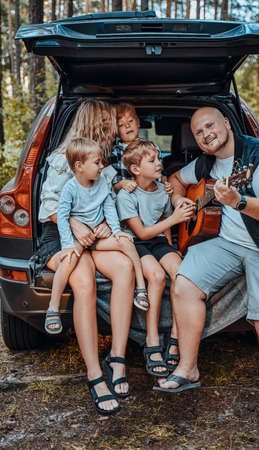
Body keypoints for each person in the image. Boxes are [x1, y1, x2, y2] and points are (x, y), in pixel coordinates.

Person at [154, 106, 259, 450]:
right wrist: (181, 202)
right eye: (199, 133)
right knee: (185, 281)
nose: (206, 135)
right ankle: (188, 367)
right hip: (228, 244)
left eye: (210, 127)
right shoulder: (204, 163)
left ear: (226, 124)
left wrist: (239, 201)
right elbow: (175, 181)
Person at [36, 99, 135, 416]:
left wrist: (107, 224)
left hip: (96, 236)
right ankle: (94, 374)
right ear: (94, 124)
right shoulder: (61, 160)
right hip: (62, 237)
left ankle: (117, 357)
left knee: (123, 268)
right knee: (85, 282)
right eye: (107, 122)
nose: (112, 128)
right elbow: (47, 208)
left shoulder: (102, 165)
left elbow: (107, 201)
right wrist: (75, 225)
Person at [44, 137, 149, 336]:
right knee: (68, 260)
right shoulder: (70, 188)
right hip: (80, 239)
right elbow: (64, 217)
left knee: (127, 242)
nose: (102, 166)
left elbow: (109, 206)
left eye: (101, 161)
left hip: (100, 238)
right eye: (97, 162)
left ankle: (141, 289)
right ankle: (53, 308)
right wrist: (67, 244)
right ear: (79, 166)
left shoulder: (102, 183)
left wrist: (116, 230)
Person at [116, 139, 194, 377]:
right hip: (136, 242)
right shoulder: (126, 196)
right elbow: (141, 232)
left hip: (158, 239)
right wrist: (175, 219)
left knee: (180, 272)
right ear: (136, 169)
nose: (159, 163)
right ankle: (152, 340)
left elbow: (164, 227)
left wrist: (172, 249)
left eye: (159, 158)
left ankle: (175, 335)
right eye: (152, 161)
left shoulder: (163, 190)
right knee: (157, 277)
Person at [110, 102, 173, 195]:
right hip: (129, 198)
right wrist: (122, 184)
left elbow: (160, 175)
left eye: (130, 121)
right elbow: (113, 184)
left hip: (152, 195)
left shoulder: (153, 147)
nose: (127, 126)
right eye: (121, 125)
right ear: (116, 131)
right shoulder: (116, 152)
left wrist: (166, 184)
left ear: (138, 123)